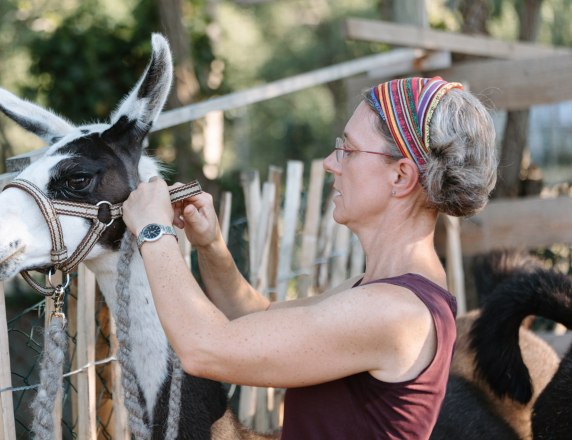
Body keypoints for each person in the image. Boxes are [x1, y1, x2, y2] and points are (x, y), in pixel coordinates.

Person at [122, 76, 498, 439]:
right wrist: (211, 246)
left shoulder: (395, 312)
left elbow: (205, 349)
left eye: (349, 150)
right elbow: (256, 316)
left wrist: (154, 231)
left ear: (400, 177)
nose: (330, 162)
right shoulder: (381, 293)